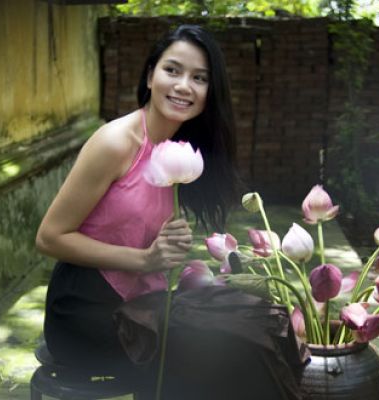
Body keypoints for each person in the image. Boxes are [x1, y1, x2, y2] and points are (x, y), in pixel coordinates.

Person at [36, 24, 302, 400]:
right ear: (150, 75)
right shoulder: (116, 142)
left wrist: (166, 251)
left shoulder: (182, 149)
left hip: (144, 305)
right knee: (227, 351)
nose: (183, 86)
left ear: (211, 92)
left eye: (199, 78)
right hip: (87, 312)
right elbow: (49, 237)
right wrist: (145, 259)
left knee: (257, 322)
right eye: (172, 70)